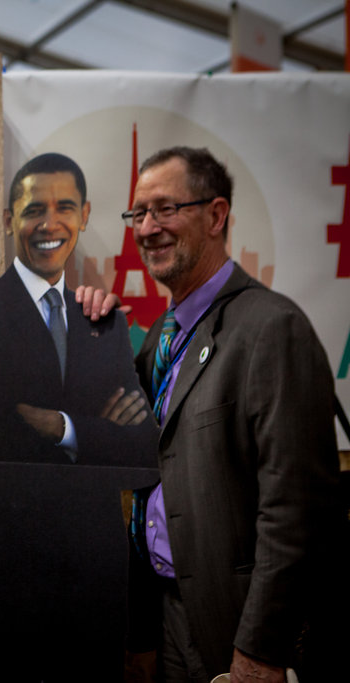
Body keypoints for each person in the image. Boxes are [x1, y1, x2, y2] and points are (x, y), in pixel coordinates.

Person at [118, 146, 344, 683]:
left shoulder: (272, 328)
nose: (148, 228)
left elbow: (298, 513)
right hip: (167, 617)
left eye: (166, 208)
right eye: (138, 213)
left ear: (216, 215)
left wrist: (261, 653)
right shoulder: (159, 340)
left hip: (238, 633)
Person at [0, 152, 160, 681]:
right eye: (34, 208)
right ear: (9, 219)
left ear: (85, 215)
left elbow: (142, 458)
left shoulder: (103, 324)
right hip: (3, 580)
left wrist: (63, 426)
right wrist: (96, 430)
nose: (49, 222)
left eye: (64, 207)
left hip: (94, 584)